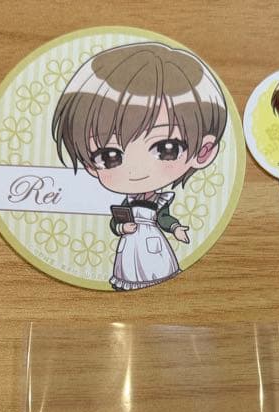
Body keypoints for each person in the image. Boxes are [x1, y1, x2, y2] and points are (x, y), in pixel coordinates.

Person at [51, 42, 227, 290]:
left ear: (203, 152)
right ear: (91, 165)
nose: (137, 169)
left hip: (153, 244)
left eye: (166, 148)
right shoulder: (128, 202)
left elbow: (164, 218)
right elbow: (115, 223)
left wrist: (176, 229)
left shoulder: (160, 200)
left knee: (156, 270)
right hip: (131, 243)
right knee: (130, 271)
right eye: (109, 155)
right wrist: (123, 227)